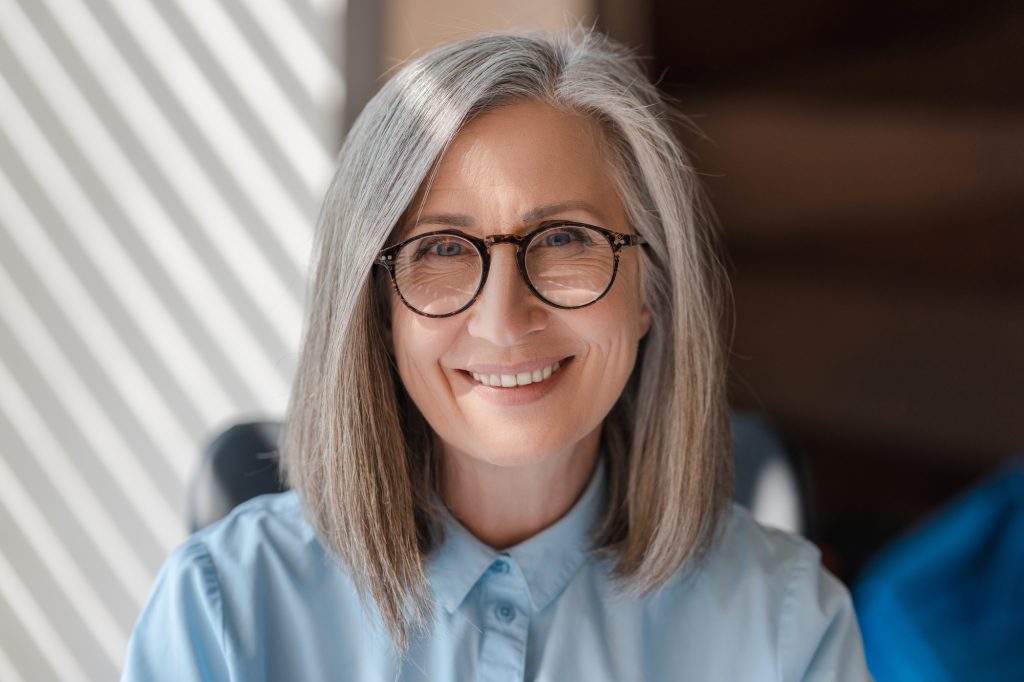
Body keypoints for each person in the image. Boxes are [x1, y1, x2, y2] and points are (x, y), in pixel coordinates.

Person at [122, 30, 871, 681]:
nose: (505, 320)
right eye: (441, 248)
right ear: (377, 311)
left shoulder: (787, 624)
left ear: (652, 288)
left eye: (565, 239)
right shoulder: (219, 609)